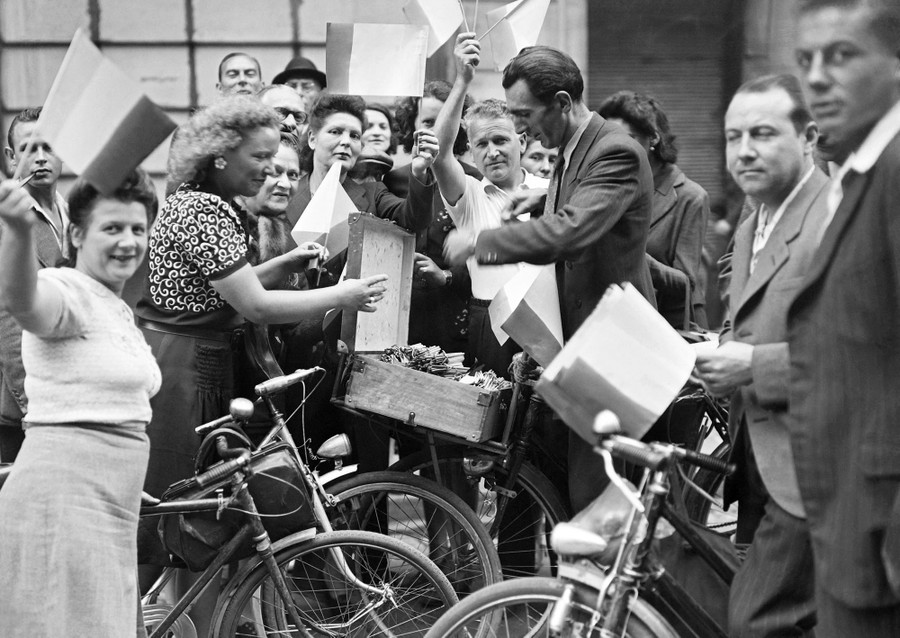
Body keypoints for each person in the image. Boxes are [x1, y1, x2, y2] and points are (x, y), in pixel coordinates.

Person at [135, 95, 386, 635]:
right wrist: (342, 295)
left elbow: (229, 291)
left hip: (196, 365)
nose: (271, 170)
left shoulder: (209, 203)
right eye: (261, 158)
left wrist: (280, 264)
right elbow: (253, 305)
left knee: (192, 524)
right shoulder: (201, 210)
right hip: (181, 374)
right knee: (178, 522)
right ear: (222, 157)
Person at [444, 44, 656, 513]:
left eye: (524, 114)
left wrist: (482, 243)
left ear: (562, 102)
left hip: (613, 353)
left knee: (601, 505)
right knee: (578, 499)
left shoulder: (615, 151)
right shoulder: (568, 150)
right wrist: (538, 203)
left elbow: (573, 231)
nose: (520, 128)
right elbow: (574, 208)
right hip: (579, 351)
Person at [0, 169, 160, 637]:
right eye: (112, 228)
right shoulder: (65, 289)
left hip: (110, 505)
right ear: (75, 233)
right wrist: (16, 230)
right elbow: (25, 302)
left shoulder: (113, 304)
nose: (128, 241)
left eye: (137, 228)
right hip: (64, 505)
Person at [694, 74, 826, 637]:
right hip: (756, 458)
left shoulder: (837, 219)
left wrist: (753, 365)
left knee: (755, 620)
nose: (744, 150)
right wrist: (720, 351)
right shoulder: (753, 221)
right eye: (732, 136)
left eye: (764, 133)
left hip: (820, 467)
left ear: (809, 137)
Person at [785, 0, 900, 633]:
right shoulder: (862, 170)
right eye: (806, 60)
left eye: (843, 55)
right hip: (853, 527)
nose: (819, 78)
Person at [429, 33, 548, 376]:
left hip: (547, 316)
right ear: (471, 152)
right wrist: (462, 81)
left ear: (522, 140)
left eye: (500, 139)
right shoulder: (468, 196)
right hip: (488, 320)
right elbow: (438, 153)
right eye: (481, 143)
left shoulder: (550, 189)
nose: (492, 151)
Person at [598, 91, 711, 329]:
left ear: (653, 139)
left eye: (626, 139)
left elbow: (686, 283)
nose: (615, 148)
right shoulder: (609, 186)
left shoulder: (690, 197)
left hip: (666, 327)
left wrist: (633, 256)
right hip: (614, 322)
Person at [385, 81, 477, 354]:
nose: (435, 130)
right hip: (399, 314)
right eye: (427, 122)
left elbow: (487, 254)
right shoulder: (392, 181)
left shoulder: (473, 181)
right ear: (411, 126)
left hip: (453, 312)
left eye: (442, 121)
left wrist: (447, 275)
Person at [0, 107, 67, 462]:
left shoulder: (68, 209)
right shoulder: (8, 217)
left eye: (49, 147)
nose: (40, 158)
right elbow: (8, 320)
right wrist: (31, 406)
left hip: (63, 387)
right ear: (12, 157)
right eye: (29, 149)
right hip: (23, 401)